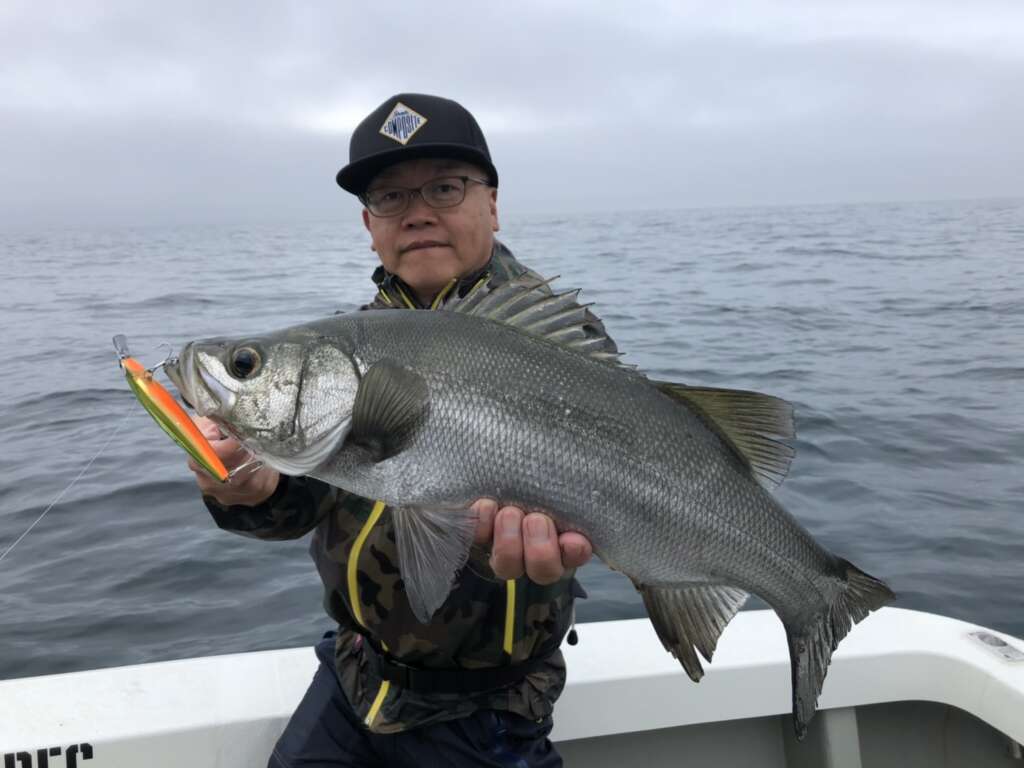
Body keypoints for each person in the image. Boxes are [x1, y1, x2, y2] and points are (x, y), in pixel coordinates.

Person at [188, 93, 617, 768]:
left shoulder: (559, 342)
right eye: (390, 198)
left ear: (492, 203)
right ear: (369, 224)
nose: (417, 211)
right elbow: (311, 501)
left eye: (444, 187)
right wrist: (251, 491)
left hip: (483, 712)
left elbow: (556, 534)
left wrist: (485, 546)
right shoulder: (345, 344)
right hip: (353, 679)